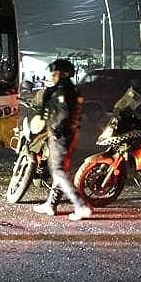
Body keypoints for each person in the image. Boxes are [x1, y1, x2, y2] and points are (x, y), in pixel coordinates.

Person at [32, 59, 93, 221]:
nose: (53, 76)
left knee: (58, 171)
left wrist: (54, 129)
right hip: (69, 134)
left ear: (64, 73)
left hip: (62, 135)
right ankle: (51, 204)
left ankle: (80, 205)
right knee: (60, 170)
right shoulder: (70, 88)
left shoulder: (63, 90)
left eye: (56, 73)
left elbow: (64, 113)